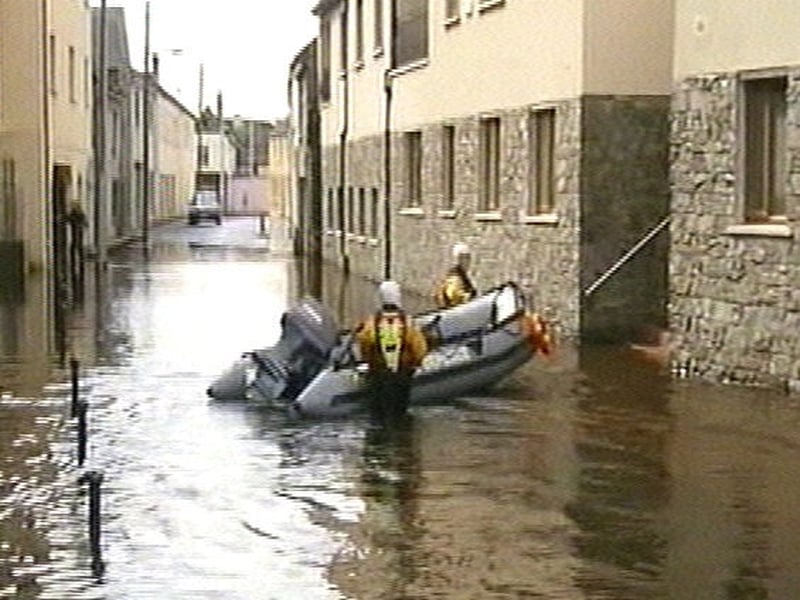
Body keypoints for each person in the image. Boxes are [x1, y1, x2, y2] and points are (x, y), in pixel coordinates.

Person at [354, 281, 428, 421]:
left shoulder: (371, 324)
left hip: (378, 375)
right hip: (402, 374)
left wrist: (370, 363)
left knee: (378, 413)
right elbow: (419, 348)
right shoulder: (408, 323)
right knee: (399, 411)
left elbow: (364, 345)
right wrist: (416, 363)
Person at [434, 242, 477, 309]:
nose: (467, 262)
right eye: (464, 258)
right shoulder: (454, 279)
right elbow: (457, 297)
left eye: (468, 258)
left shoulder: (462, 277)